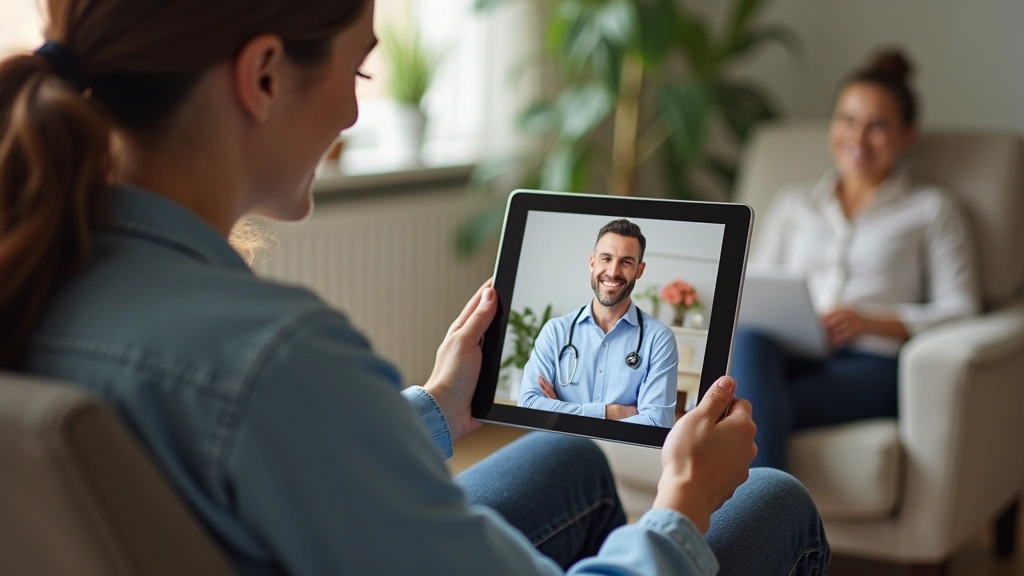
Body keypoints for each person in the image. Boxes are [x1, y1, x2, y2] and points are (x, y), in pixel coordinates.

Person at [0, 1, 830, 574]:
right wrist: (683, 502)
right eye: (359, 73)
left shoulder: (37, 268)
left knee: (565, 454)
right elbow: (271, 411)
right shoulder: (275, 356)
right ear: (264, 75)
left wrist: (437, 407)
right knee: (770, 500)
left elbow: (272, 455)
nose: (353, 115)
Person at [734, 50, 981, 470]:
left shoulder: (931, 209)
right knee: (749, 342)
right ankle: (764, 510)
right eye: (847, 120)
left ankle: (750, 510)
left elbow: (962, 308)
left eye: (877, 126)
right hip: (790, 355)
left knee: (746, 407)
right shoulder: (794, 204)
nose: (859, 138)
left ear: (908, 134)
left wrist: (869, 322)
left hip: (871, 367)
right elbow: (754, 289)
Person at [517, 219, 679, 427]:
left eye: (626, 262)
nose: (613, 271)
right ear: (592, 262)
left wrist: (561, 409)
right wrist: (612, 412)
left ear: (639, 270)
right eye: (606, 258)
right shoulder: (555, 332)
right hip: (559, 442)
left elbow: (657, 422)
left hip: (617, 449)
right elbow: (528, 405)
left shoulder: (658, 339)